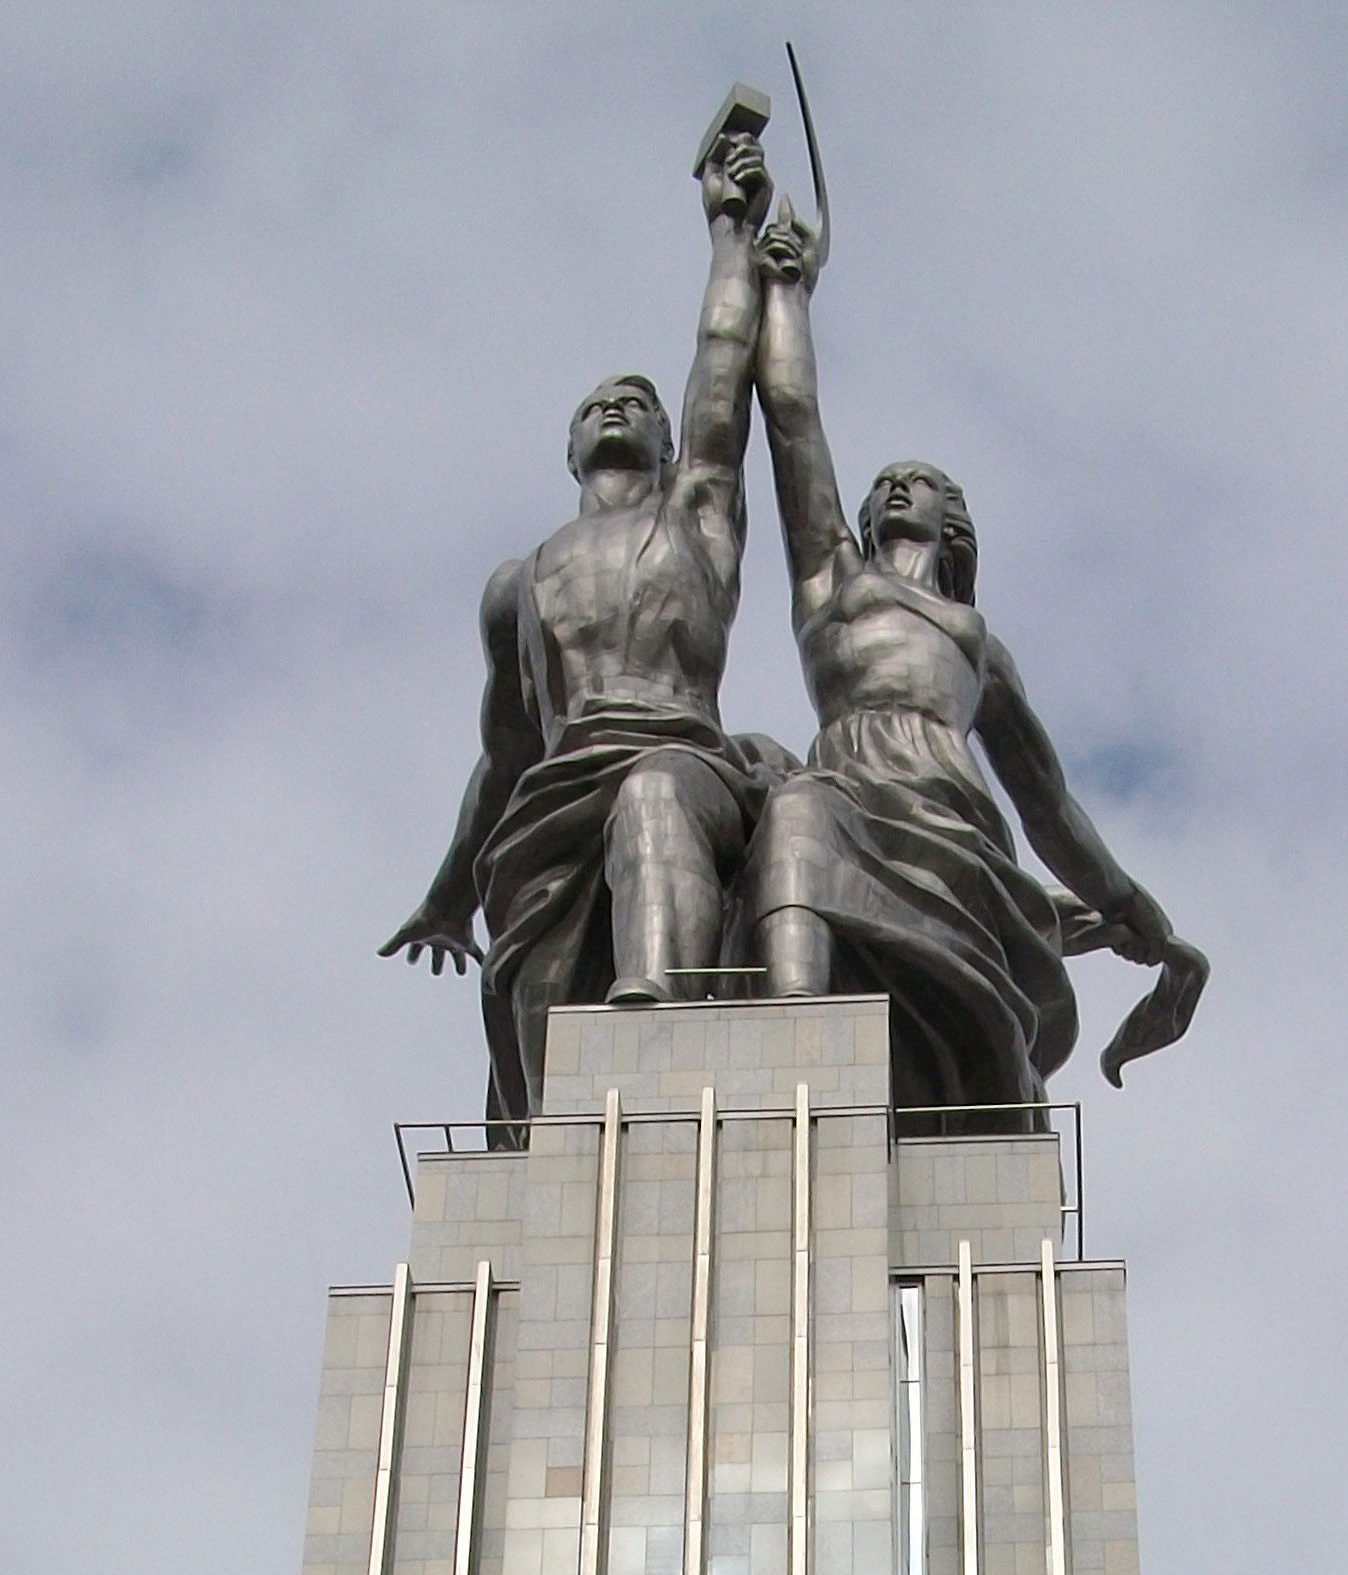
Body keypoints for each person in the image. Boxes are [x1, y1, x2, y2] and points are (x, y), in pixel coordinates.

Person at [742, 207, 1206, 1115]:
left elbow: (1048, 801)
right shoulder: (831, 583)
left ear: (952, 521)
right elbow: (792, 419)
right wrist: (788, 290)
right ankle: (787, 1042)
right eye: (882, 484)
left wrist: (1126, 899)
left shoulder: (977, 643)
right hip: (846, 790)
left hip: (955, 827)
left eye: (920, 481)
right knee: (796, 811)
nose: (893, 486)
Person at [380, 120, 790, 1133]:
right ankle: (549, 1154)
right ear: (569, 445)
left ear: (662, 435)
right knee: (536, 1003)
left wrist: (730, 235)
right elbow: (503, 754)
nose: (618, 409)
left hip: (678, 753)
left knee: (652, 803)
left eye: (636, 402)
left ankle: (665, 1014)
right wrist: (446, 894)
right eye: (597, 404)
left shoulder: (696, 522)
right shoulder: (516, 586)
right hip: (552, 800)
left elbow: (720, 366)